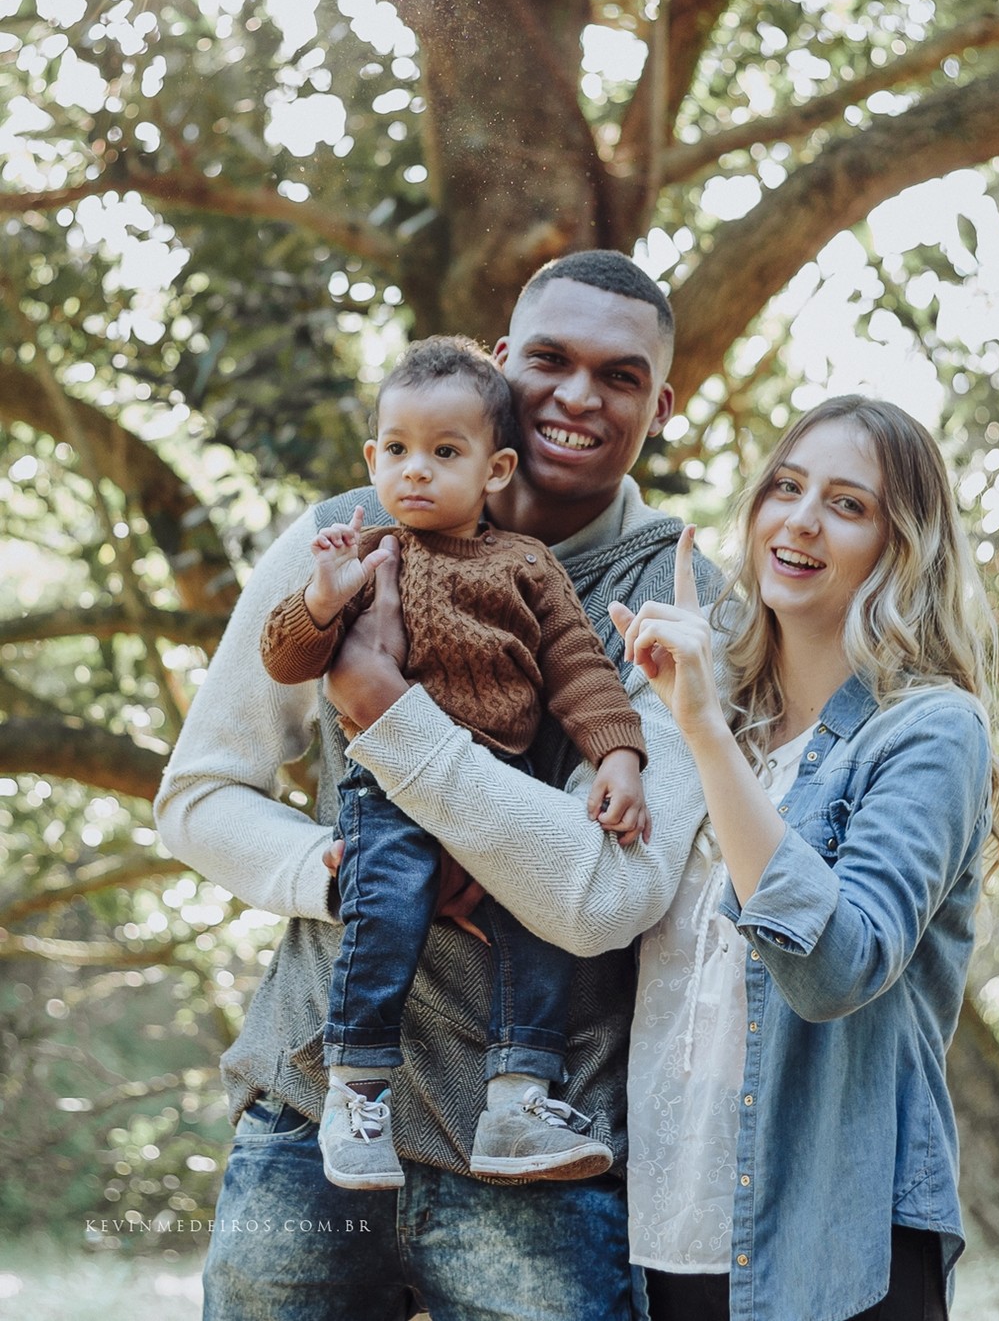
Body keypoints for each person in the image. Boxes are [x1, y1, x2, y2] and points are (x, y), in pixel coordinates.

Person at [154, 251, 721, 1321]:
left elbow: (606, 891)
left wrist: (387, 708)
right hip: (310, 1117)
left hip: (543, 1160)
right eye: (550, 359)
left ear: (661, 406)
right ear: (501, 361)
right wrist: (341, 875)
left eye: (620, 375)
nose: (577, 396)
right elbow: (197, 792)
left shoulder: (684, 596)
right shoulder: (342, 538)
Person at [612, 396, 999, 1321]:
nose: (800, 520)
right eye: (786, 488)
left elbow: (838, 968)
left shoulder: (928, 732)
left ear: (899, 547)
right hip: (660, 1237)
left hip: (833, 1248)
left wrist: (705, 733)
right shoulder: (705, 703)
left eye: (847, 504)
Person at [259, 335, 649, 1190]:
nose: (416, 471)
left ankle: (517, 1101)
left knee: (538, 930)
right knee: (387, 912)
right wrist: (323, 596)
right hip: (388, 791)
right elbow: (286, 658)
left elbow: (580, 669)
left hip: (500, 788)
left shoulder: (528, 565)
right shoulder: (367, 555)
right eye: (397, 450)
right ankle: (356, 1089)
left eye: (445, 453)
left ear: (495, 469)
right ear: (373, 458)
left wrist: (618, 755)